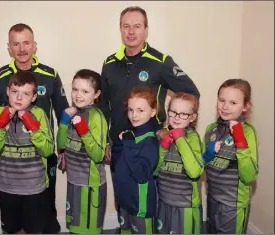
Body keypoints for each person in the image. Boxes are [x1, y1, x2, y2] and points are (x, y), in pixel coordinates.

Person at [98, 6, 200, 232]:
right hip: (118, 145)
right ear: (120, 30)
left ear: (146, 30)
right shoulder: (109, 63)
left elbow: (191, 92)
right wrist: (105, 139)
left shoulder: (160, 61)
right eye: (126, 26)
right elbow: (103, 106)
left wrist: (171, 125)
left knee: (146, 204)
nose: (131, 32)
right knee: (124, 196)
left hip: (147, 146)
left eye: (137, 26)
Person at [0, 23, 68, 233]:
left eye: (26, 43)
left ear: (34, 45)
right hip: (10, 161)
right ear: (9, 48)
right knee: (13, 217)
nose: (22, 49)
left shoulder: (50, 74)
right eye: (16, 44)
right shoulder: (0, 76)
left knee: (44, 209)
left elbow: (63, 114)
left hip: (42, 156)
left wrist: (63, 149)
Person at [0, 71, 54, 234]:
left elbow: (48, 150)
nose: (19, 98)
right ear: (8, 91)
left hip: (34, 187)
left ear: (33, 97)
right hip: (8, 186)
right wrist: (0, 126)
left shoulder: (39, 114)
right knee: (12, 230)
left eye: (25, 94)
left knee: (33, 230)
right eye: (15, 92)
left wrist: (34, 128)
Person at [202, 79, 259, 234]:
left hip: (232, 204)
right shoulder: (211, 129)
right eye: (222, 100)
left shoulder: (248, 132)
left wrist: (240, 142)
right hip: (213, 197)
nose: (225, 107)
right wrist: (207, 154)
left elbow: (249, 176)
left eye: (233, 103)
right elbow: (201, 164)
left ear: (245, 106)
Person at [56, 69, 108, 234]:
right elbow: (61, 145)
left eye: (85, 91)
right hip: (74, 180)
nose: (78, 95)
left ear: (96, 94)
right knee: (75, 227)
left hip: (90, 185)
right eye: (75, 89)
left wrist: (84, 130)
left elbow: (98, 155)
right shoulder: (74, 112)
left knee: (88, 229)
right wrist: (64, 123)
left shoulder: (96, 117)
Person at [155, 92, 203, 234]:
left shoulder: (193, 138)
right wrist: (162, 148)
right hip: (164, 201)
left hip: (185, 205)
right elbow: (154, 171)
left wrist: (180, 139)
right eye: (173, 112)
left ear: (192, 117)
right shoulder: (163, 135)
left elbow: (195, 172)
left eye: (183, 114)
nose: (176, 117)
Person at [113, 86, 159, 234]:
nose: (134, 115)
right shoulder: (131, 134)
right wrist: (120, 144)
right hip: (125, 201)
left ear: (152, 112)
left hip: (140, 206)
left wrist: (128, 144)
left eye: (140, 110)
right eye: (131, 110)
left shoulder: (149, 140)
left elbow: (141, 174)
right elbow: (118, 165)